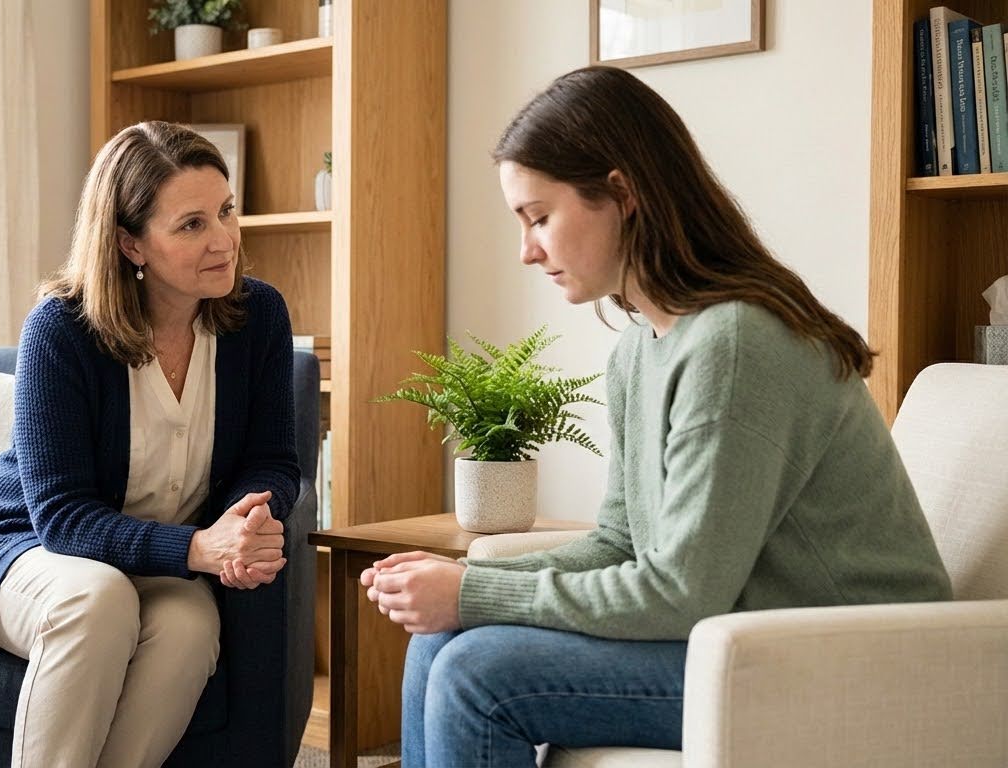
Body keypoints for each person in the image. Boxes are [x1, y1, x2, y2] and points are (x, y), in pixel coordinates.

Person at [363, 66, 952, 767]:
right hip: (743, 636)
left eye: (539, 218)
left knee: (477, 676)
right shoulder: (643, 345)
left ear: (622, 193)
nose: (527, 251)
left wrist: (475, 591)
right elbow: (620, 541)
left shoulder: (735, 343)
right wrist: (461, 587)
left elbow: (677, 594)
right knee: (438, 643)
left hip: (846, 660)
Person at [0, 120, 300, 768]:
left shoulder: (259, 315)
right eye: (192, 225)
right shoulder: (63, 330)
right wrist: (200, 547)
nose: (224, 241)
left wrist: (246, 518)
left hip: (152, 563)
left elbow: (271, 458)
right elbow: (63, 519)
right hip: (22, 547)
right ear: (131, 242)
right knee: (98, 601)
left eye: (226, 211)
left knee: (191, 627)